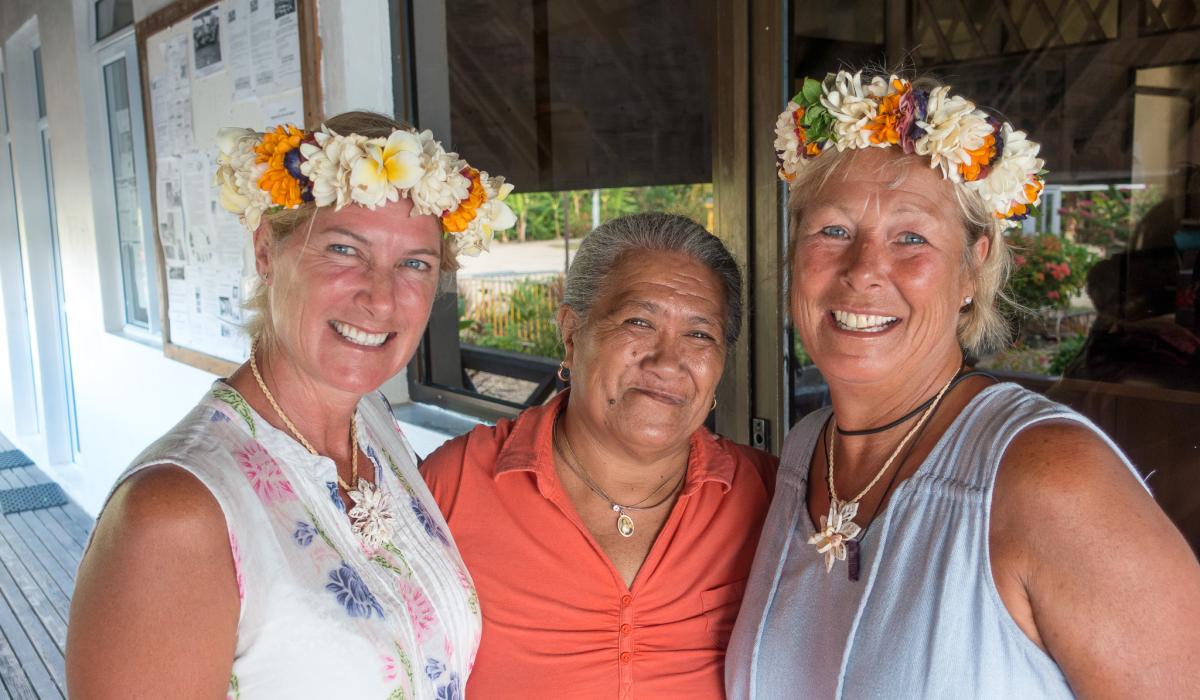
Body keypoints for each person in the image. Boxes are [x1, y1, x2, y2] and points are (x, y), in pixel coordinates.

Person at [726, 70, 1200, 698]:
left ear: (973, 268)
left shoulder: (1051, 478)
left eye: (911, 237)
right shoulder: (806, 448)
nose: (864, 270)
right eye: (833, 231)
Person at [67, 111, 516, 697]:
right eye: (343, 249)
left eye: (414, 264)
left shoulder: (371, 425)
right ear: (265, 252)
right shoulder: (174, 516)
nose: (381, 298)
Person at [421, 212, 777, 698]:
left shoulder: (770, 497)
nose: (667, 361)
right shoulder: (455, 485)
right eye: (639, 321)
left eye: (700, 335)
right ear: (571, 334)